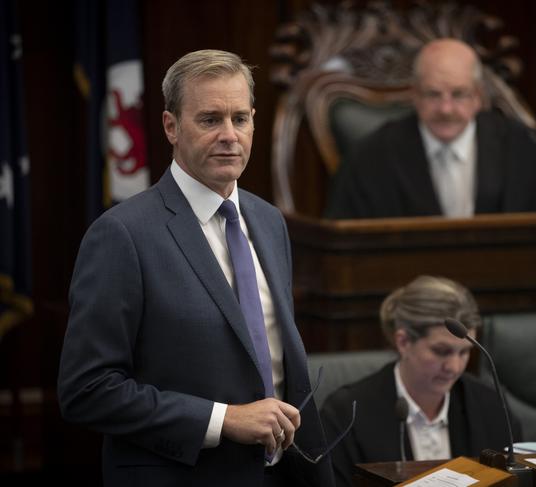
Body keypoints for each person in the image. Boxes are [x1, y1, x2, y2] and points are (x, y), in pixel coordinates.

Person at [58, 49, 334, 487]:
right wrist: (222, 419)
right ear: (171, 126)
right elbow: (87, 391)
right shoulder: (122, 235)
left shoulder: (269, 221)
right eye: (210, 120)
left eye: (240, 119)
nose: (229, 135)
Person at [319, 275, 522, 487]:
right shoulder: (346, 414)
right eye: (441, 351)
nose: (454, 367)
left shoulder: (491, 407)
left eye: (464, 353)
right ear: (403, 341)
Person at [324, 38, 536, 219]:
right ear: (414, 95)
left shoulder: (520, 146)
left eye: (459, 94)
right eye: (433, 94)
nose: (446, 109)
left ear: (478, 96)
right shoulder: (371, 156)